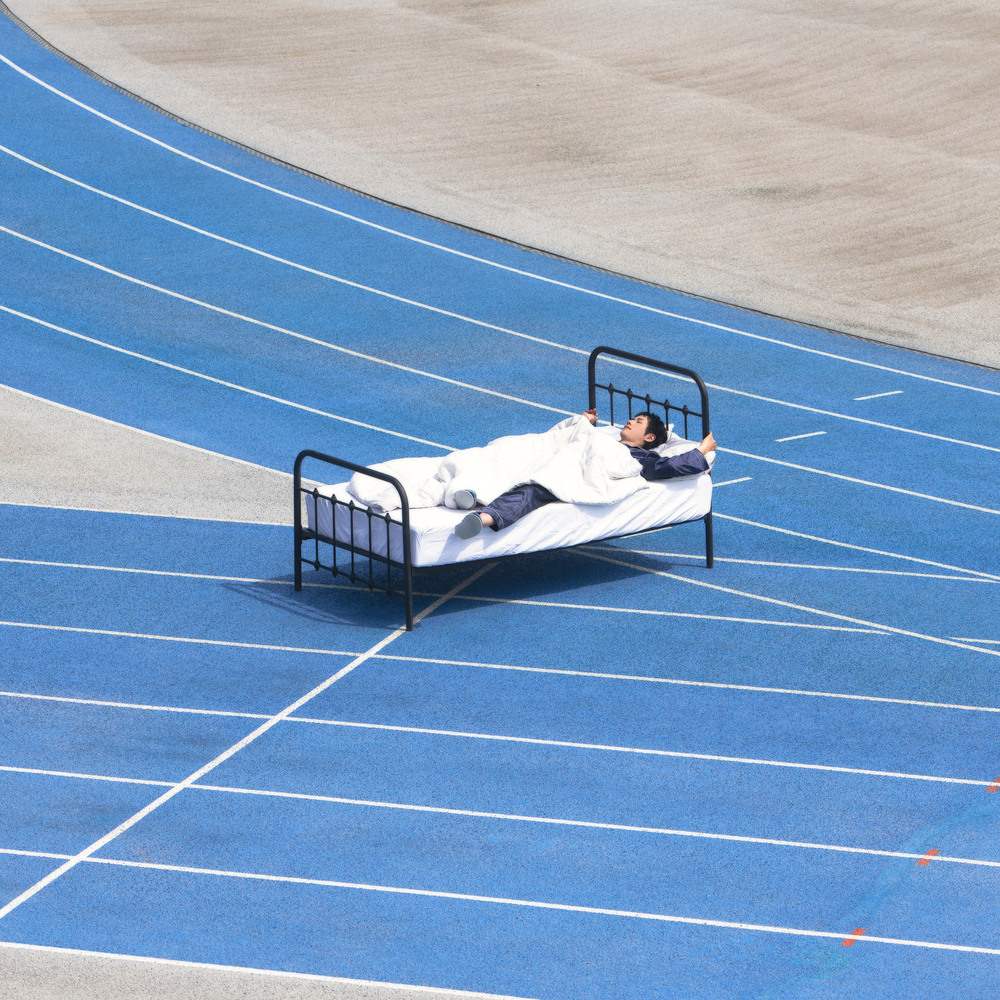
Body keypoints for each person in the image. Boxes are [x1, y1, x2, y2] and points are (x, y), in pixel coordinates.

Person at [454, 409, 717, 537]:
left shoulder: (639, 457)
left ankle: (485, 517)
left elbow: (667, 467)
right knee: (511, 455)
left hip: (570, 470)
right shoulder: (603, 436)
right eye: (632, 418)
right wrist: (583, 422)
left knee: (536, 488)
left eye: (638, 422)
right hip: (559, 456)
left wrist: (702, 450)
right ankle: (469, 491)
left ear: (649, 437)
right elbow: (559, 439)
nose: (629, 421)